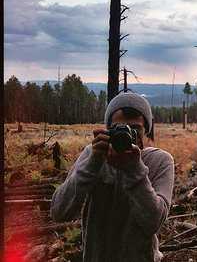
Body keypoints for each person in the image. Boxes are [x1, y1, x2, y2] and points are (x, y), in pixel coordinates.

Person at [51, 92, 175, 262]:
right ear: (107, 130)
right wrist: (92, 164)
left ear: (147, 130)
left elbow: (154, 222)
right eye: (119, 128)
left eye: (135, 129)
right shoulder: (93, 155)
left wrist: (134, 169)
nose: (127, 134)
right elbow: (59, 212)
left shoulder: (159, 161)